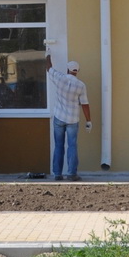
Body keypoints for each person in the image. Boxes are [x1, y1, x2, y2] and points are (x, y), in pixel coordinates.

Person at [45, 52, 90, 181]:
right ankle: (71, 174)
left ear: (68, 69)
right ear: (77, 71)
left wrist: (48, 55)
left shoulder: (60, 78)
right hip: (73, 119)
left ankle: (57, 174)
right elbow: (85, 104)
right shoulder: (81, 85)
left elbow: (49, 67)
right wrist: (89, 121)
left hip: (59, 117)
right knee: (72, 146)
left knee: (58, 146)